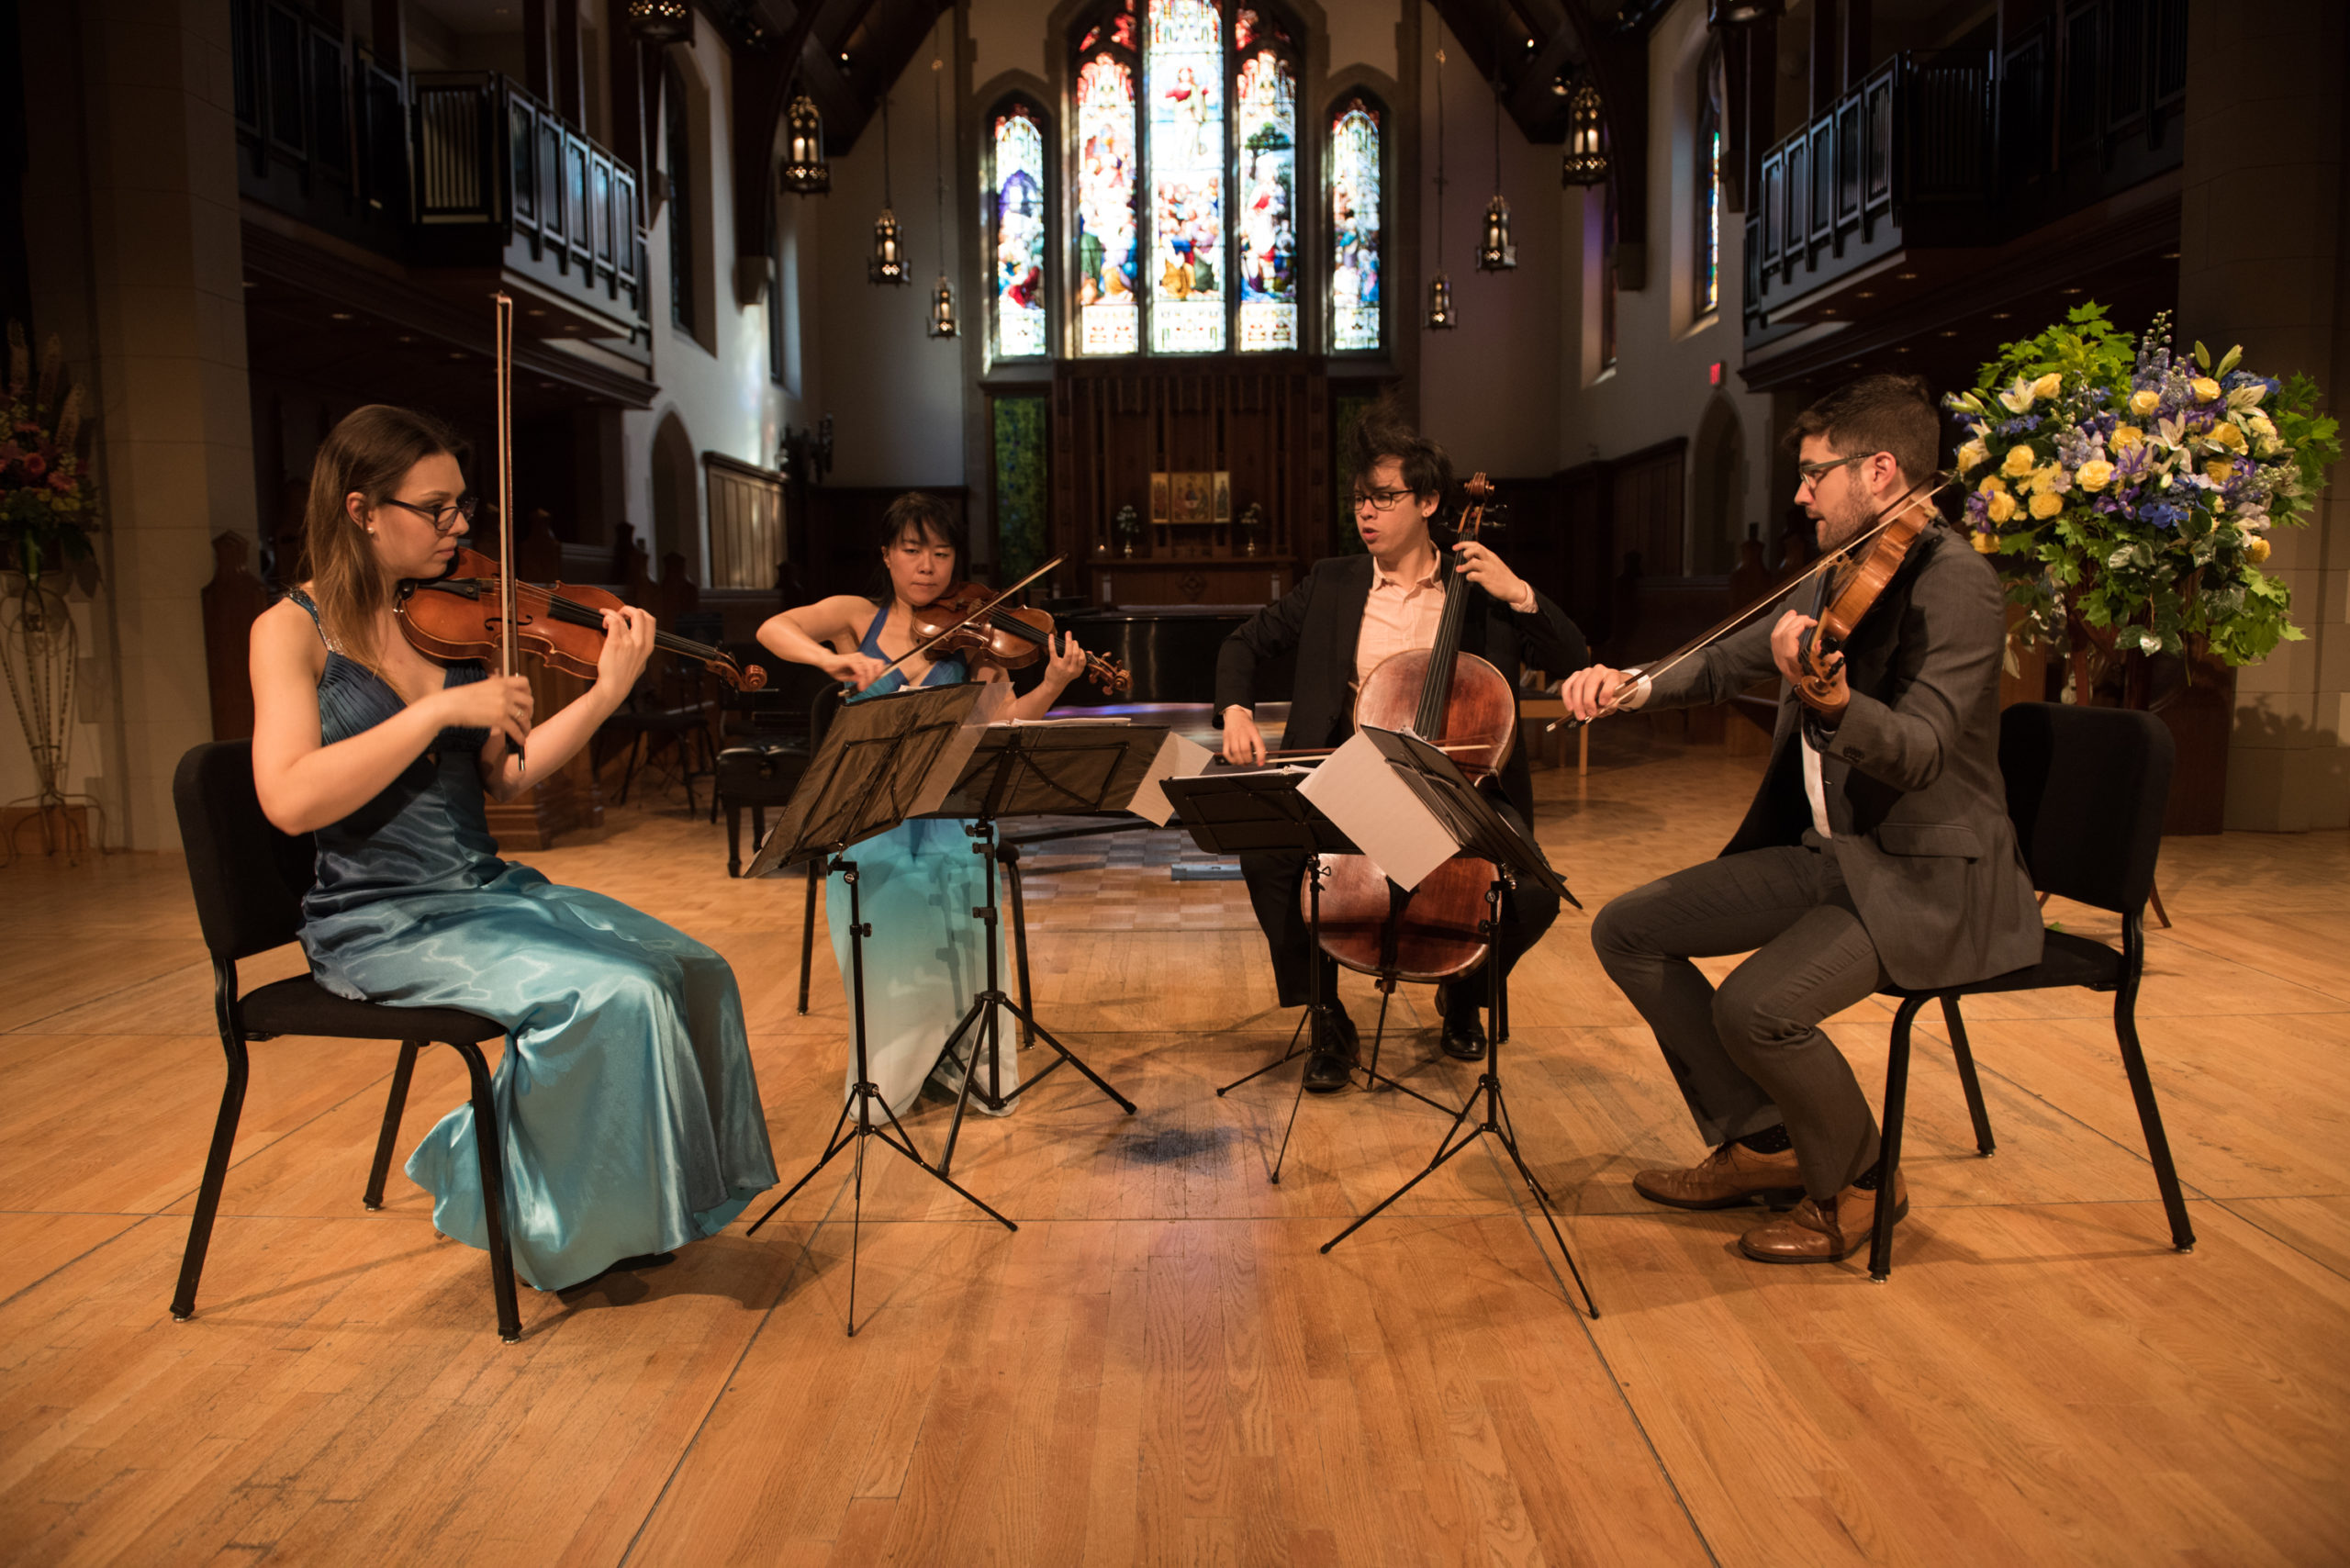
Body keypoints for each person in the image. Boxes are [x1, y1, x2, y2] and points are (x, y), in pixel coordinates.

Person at [247, 405, 778, 1293]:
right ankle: (538, 1213)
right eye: (437, 509)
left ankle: (652, 1208)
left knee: (693, 968)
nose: (459, 529)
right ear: (361, 510)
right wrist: (435, 712)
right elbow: (289, 798)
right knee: (612, 993)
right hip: (383, 917)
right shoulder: (292, 631)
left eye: (462, 509)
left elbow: (509, 775)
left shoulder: (450, 621)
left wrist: (606, 692)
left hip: (485, 890)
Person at [1561, 375, 2042, 1264]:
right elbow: (1719, 661)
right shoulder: (1843, 571)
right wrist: (1627, 685)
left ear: (1882, 470)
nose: (1798, 493)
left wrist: (1831, 704)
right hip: (1830, 858)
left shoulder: (1959, 585)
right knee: (1626, 930)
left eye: (1814, 472)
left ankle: (1862, 1179)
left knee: (1756, 1007)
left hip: (1925, 873)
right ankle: (1769, 1142)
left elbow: (1925, 750)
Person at [1216, 408, 1587, 1092]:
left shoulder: (1478, 588)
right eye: (1359, 497)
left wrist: (1519, 591)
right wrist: (1236, 710)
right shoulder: (1332, 583)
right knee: (1268, 855)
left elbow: (1574, 654)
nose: (1366, 511)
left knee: (1534, 895)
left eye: (1383, 497)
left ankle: (1467, 995)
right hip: (1351, 780)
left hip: (1456, 787)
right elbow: (1244, 643)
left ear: (1428, 502)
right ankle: (1326, 1015)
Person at [756, 494, 1091, 1116]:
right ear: (886, 556)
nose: (928, 567)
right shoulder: (857, 616)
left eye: (941, 553)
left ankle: (961, 1065)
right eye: (912, 550)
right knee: (890, 936)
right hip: (868, 820)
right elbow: (773, 630)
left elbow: (1005, 719)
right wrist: (831, 658)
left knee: (963, 915)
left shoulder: (975, 636)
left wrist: (1053, 682)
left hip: (946, 816)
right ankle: (895, 1076)